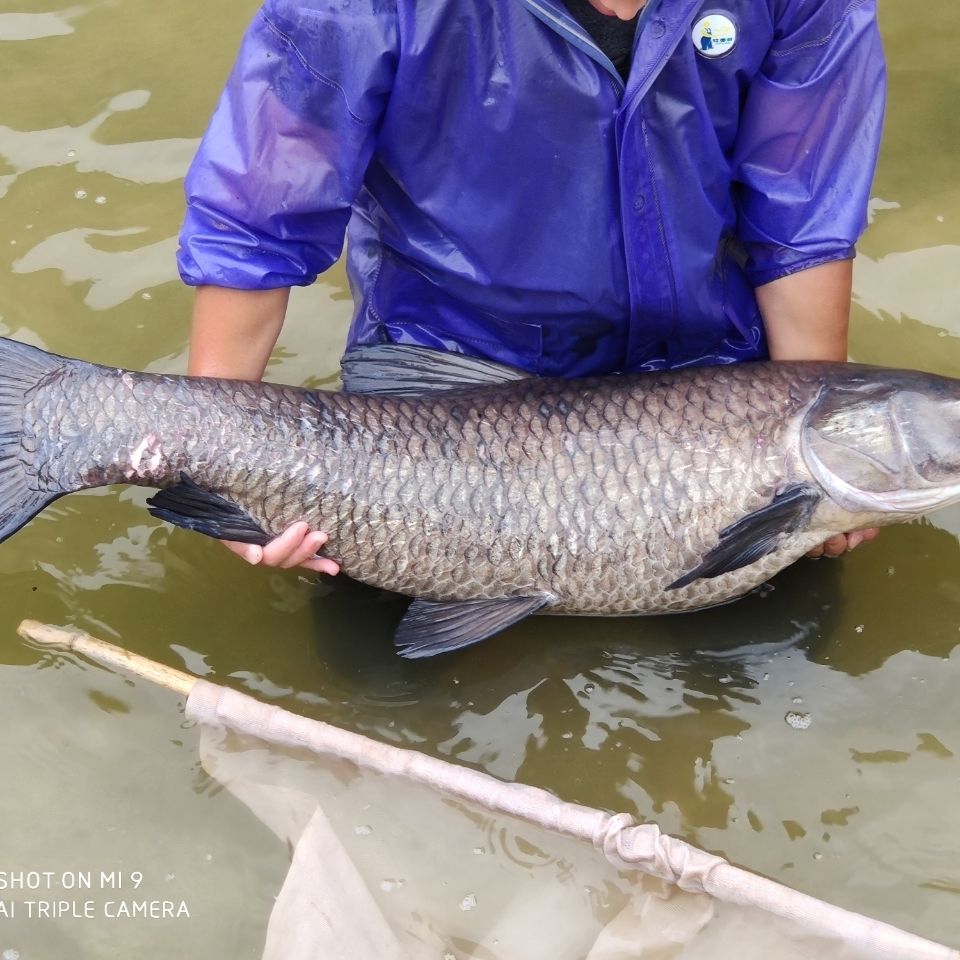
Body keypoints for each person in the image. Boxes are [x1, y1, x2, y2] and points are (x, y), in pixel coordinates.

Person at [178, 0, 886, 575]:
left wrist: (819, 465)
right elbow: (260, 214)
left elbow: (801, 216)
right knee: (378, 693)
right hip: (444, 394)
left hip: (708, 401)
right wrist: (213, 455)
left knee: (772, 691)